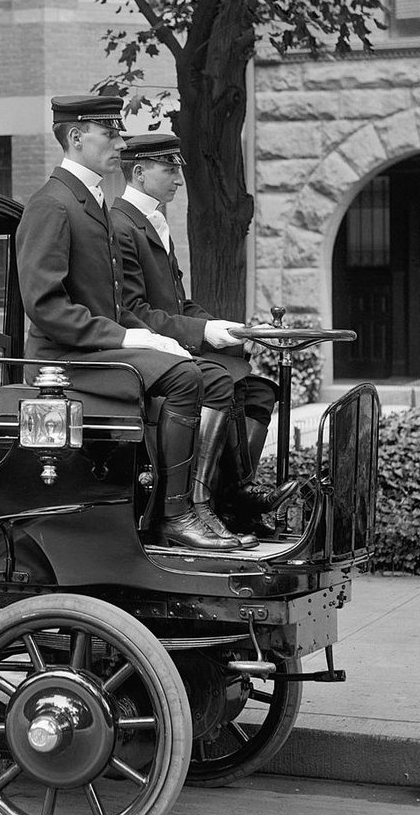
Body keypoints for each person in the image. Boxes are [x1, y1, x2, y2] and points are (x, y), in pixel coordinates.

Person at [16, 94, 241, 550]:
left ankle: (201, 504)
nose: (120, 142)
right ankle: (172, 515)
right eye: (110, 133)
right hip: (61, 361)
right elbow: (45, 306)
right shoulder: (53, 204)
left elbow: (112, 299)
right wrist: (129, 335)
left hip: (92, 349)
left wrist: (151, 336)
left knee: (213, 378)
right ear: (76, 137)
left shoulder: (88, 200)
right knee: (182, 377)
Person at [111, 133, 297, 538]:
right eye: (170, 168)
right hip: (147, 351)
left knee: (259, 390)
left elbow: (180, 303)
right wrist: (203, 332)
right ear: (139, 173)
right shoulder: (121, 225)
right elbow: (133, 311)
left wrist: (232, 329)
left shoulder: (154, 223)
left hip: (174, 342)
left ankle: (235, 497)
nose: (179, 178)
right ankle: (196, 505)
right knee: (219, 381)